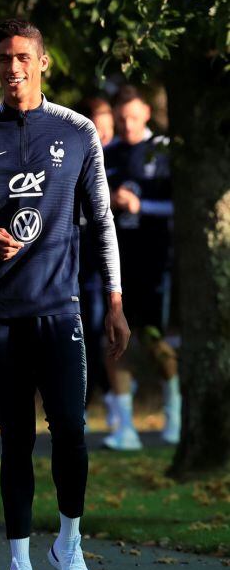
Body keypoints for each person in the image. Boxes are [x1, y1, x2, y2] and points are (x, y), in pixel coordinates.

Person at [0, 19, 129, 570]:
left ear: (43, 62)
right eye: (2, 58)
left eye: (23, 56)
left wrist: (115, 300)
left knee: (71, 432)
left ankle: (68, 543)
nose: (12, 67)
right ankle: (19, 569)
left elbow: (101, 220)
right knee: (15, 439)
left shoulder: (77, 131)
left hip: (60, 307)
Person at [101, 86, 179, 449]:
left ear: (146, 113)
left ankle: (175, 413)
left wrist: (140, 206)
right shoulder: (108, 153)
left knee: (152, 338)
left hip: (154, 260)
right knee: (115, 340)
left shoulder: (163, 150)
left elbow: (178, 208)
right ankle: (125, 427)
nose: (127, 125)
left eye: (133, 117)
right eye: (121, 119)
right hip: (117, 263)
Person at [74, 96, 117, 431]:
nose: (102, 136)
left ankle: (116, 404)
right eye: (96, 129)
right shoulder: (74, 158)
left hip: (111, 264)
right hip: (79, 264)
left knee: (107, 332)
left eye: (106, 129)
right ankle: (85, 405)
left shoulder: (121, 158)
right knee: (85, 334)